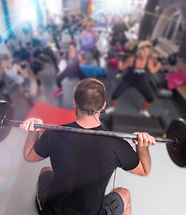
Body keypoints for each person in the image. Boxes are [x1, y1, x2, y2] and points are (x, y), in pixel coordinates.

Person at [20, 78, 156, 215]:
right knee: (124, 193)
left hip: (53, 212)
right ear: (103, 106)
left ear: (75, 103)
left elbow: (29, 155)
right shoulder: (117, 144)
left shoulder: (53, 134)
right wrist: (142, 145)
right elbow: (144, 170)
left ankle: (42, 207)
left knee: (46, 170)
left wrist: (34, 130)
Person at [105, 41, 161, 117]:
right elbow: (121, 68)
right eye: (145, 51)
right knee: (114, 95)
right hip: (128, 81)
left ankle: (143, 110)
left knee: (150, 98)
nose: (147, 53)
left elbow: (153, 71)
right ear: (140, 51)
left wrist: (159, 63)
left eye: (148, 51)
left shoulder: (149, 61)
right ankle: (112, 107)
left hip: (141, 82)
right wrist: (121, 58)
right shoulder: (131, 60)